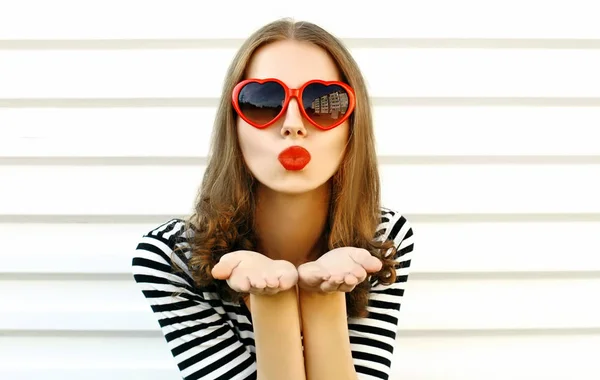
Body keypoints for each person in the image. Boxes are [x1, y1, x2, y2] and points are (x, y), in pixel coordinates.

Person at [131, 18, 415, 380]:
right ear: (233, 125)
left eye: (321, 103)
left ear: (352, 125)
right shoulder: (171, 258)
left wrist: (322, 297)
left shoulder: (384, 238)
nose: (293, 124)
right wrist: (272, 301)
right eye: (263, 102)